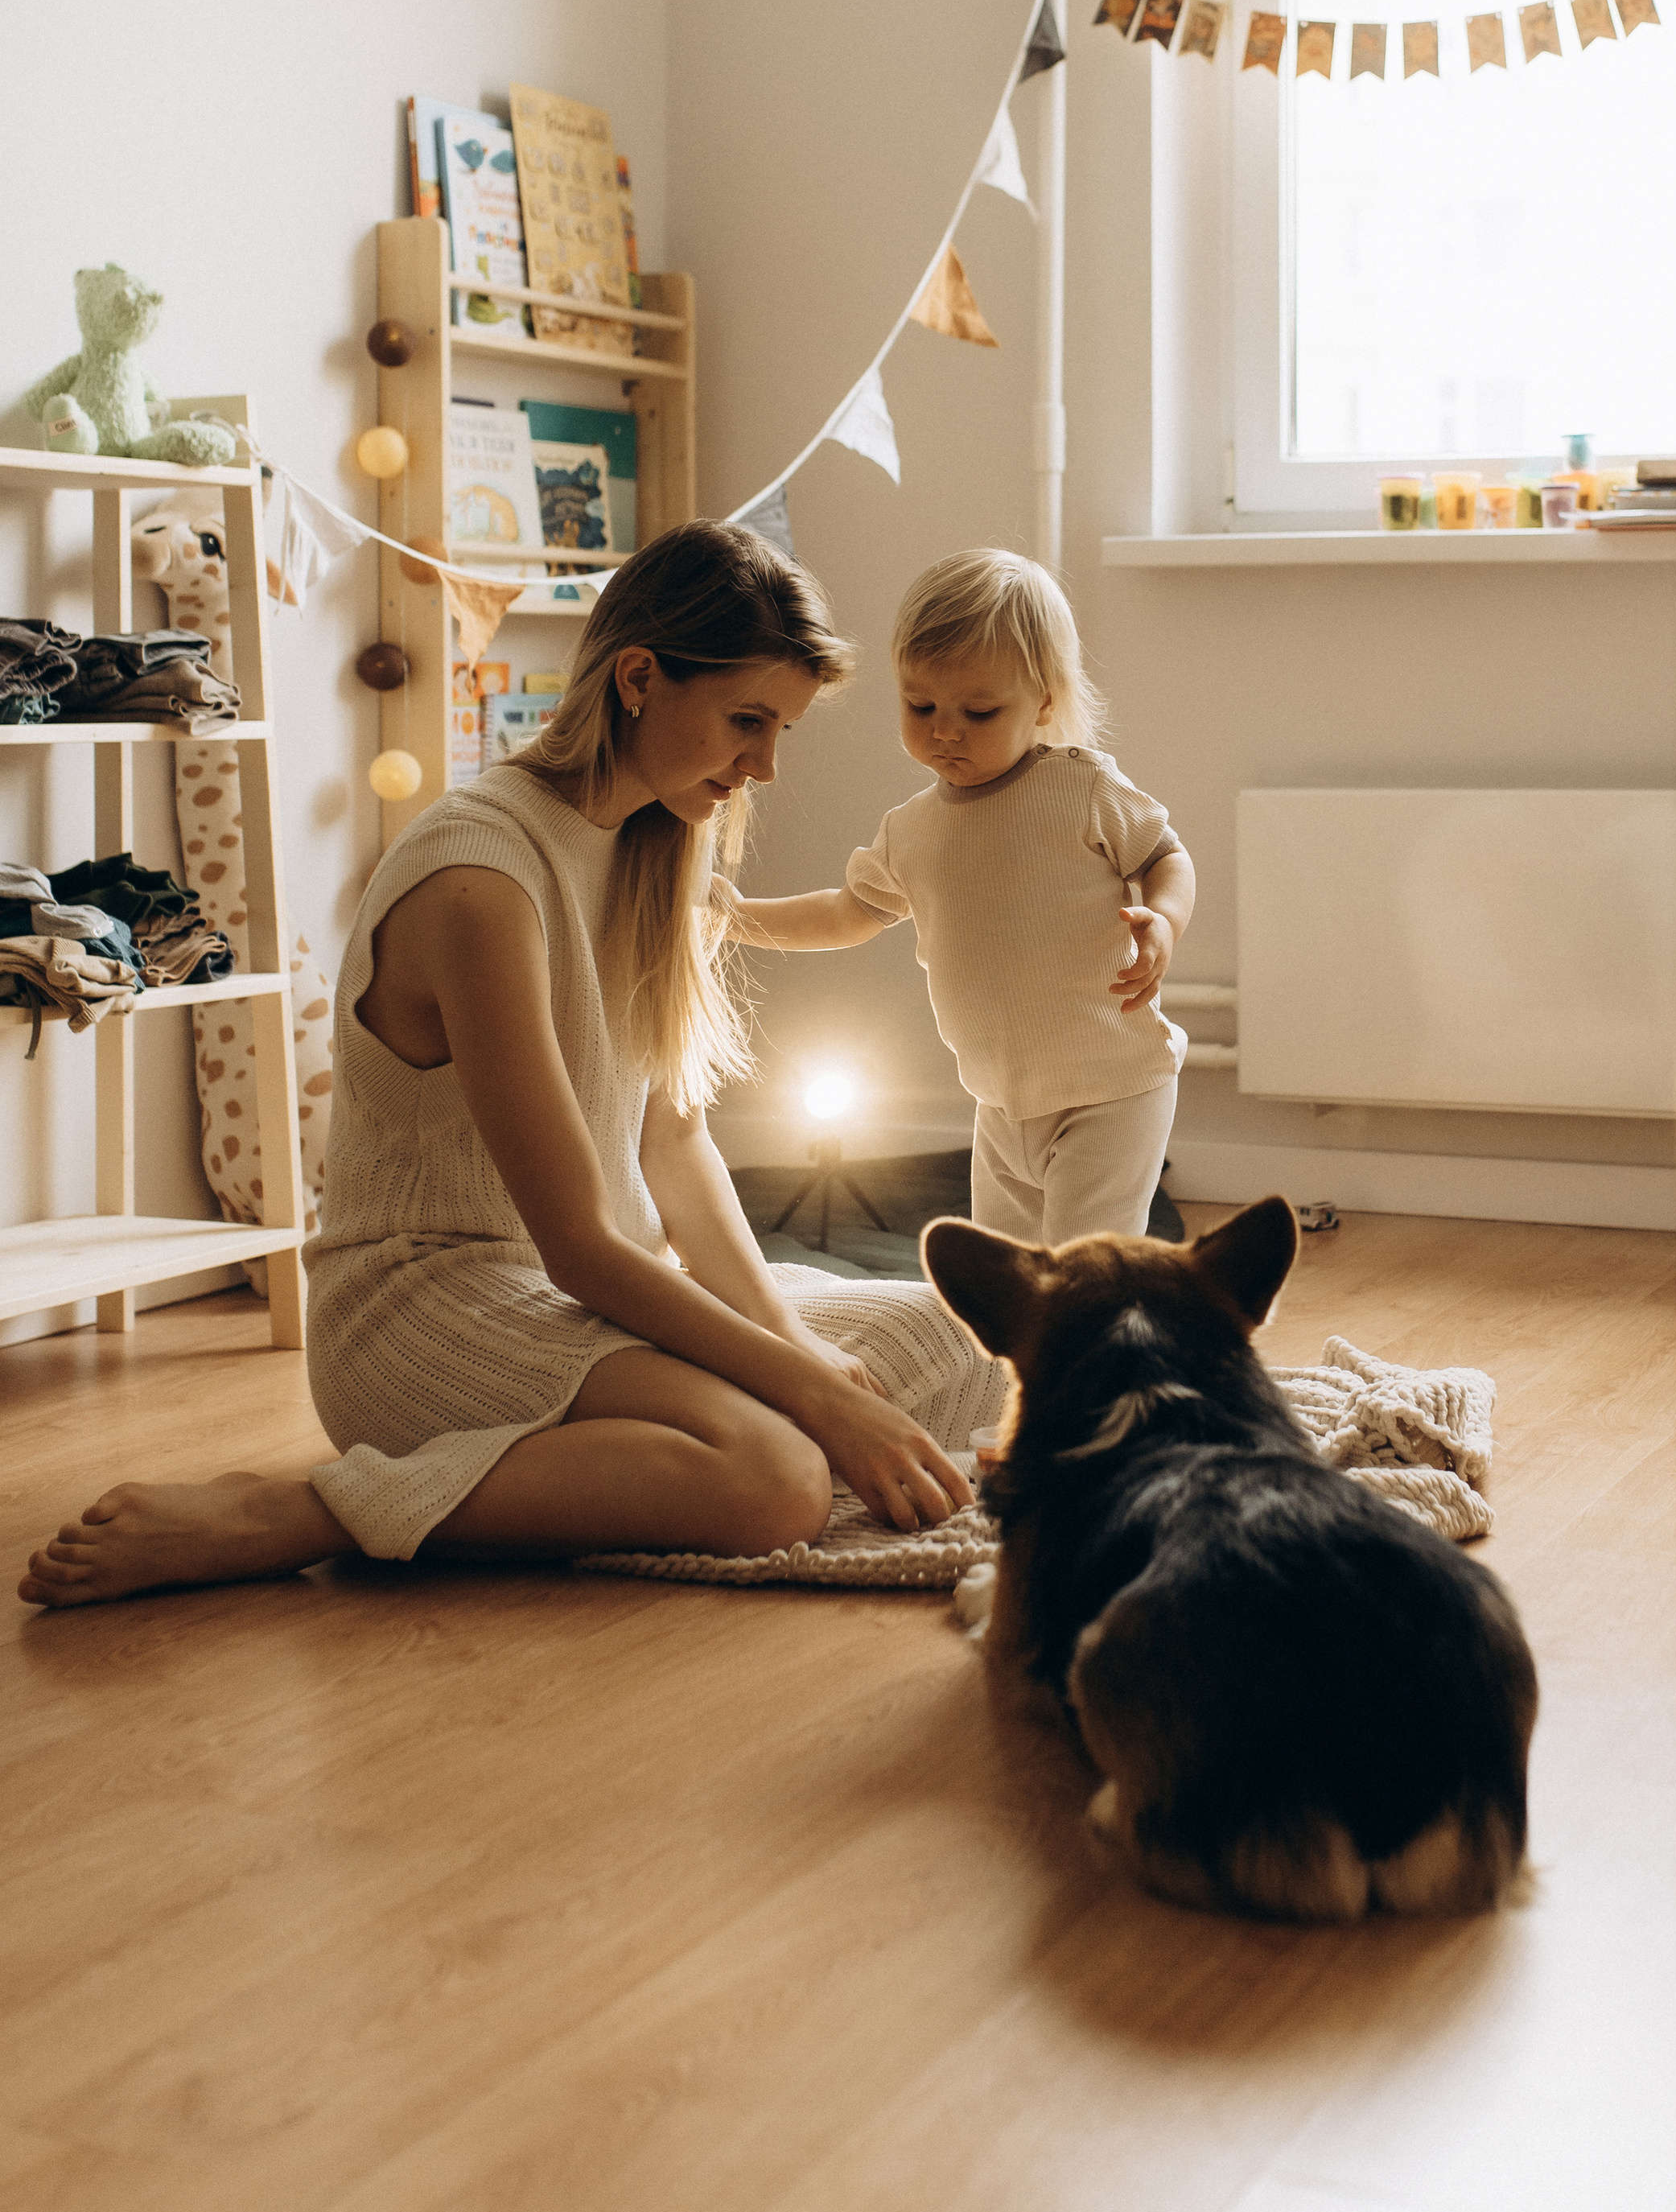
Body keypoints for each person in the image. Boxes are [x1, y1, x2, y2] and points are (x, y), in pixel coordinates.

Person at [19, 525, 1003, 1612]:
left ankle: (681, 1422)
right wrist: (815, 1395)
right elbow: (578, 1244)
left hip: (589, 1296)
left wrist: (795, 1352)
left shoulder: (661, 842)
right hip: (427, 1304)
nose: (764, 764)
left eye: (781, 730)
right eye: (746, 721)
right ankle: (304, 1509)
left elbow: (673, 1145)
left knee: (956, 1354)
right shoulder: (481, 879)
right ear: (639, 678)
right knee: (775, 1477)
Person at [722, 548, 1195, 1250]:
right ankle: (1003, 1366)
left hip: (1112, 1089)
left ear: (1044, 703)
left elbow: (1165, 855)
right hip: (1001, 1104)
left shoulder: (1079, 789)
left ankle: (1107, 1357)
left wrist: (1164, 920)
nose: (945, 729)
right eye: (921, 705)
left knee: (1083, 1268)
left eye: (978, 711)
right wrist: (732, 917)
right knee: (1001, 1281)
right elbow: (846, 914)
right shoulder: (913, 831)